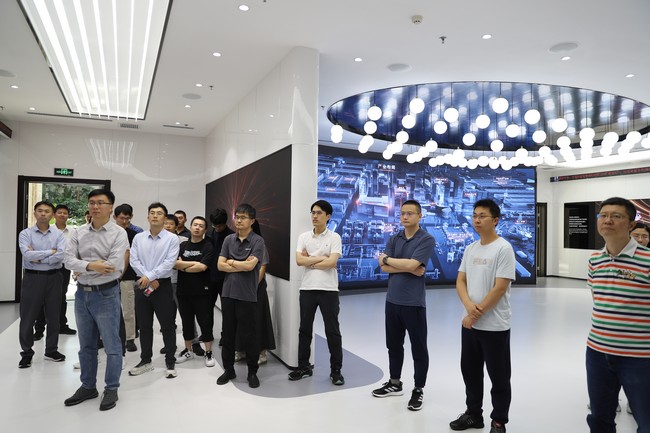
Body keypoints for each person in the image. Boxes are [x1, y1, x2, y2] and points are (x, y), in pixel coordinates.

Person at [449, 199, 516, 433]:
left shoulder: (503, 249)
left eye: (482, 216)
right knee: (470, 372)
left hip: (495, 326)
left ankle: (499, 421)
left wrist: (474, 315)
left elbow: (500, 288)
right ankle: (473, 414)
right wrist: (469, 307)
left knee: (499, 377)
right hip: (470, 324)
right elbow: (460, 280)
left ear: (495, 220)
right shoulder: (471, 248)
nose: (476, 220)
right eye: (475, 215)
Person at [585, 197, 650, 433]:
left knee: (646, 421)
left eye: (616, 216)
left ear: (631, 224)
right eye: (603, 215)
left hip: (639, 356)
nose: (607, 220)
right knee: (600, 419)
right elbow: (599, 300)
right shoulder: (595, 260)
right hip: (597, 352)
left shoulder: (647, 260)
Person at [63, 189, 129, 411]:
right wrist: (92, 265)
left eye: (101, 202)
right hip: (82, 294)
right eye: (92, 202)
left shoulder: (119, 233)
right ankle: (88, 386)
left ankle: (111, 388)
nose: (95, 206)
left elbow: (114, 265)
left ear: (111, 207)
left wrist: (82, 266)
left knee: (112, 345)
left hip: (106, 294)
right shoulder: (78, 232)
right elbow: (67, 260)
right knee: (86, 346)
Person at [373, 199, 435, 412]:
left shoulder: (426, 239)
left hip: (413, 303)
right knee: (393, 345)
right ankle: (394, 382)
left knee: (419, 348)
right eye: (402, 213)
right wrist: (407, 267)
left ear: (419, 216)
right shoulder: (394, 238)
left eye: (410, 213)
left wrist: (388, 260)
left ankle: (418, 389)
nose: (405, 217)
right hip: (392, 301)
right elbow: (385, 268)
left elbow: (410, 264)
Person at [288, 200, 343, 385]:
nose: (314, 216)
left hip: (329, 290)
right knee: (304, 329)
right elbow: (299, 261)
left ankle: (336, 370)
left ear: (328, 216)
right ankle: (303, 367)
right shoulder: (304, 237)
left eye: (319, 213)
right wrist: (323, 259)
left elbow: (332, 262)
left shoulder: (334, 237)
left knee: (332, 331)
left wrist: (310, 259)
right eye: (313, 212)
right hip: (307, 289)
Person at [216, 203, 266, 388]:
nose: (238, 220)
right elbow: (220, 265)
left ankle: (252, 372)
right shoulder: (228, 240)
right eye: (237, 217)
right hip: (228, 293)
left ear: (252, 221)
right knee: (228, 334)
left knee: (249, 335)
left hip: (247, 294)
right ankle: (229, 369)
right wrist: (240, 263)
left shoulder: (258, 241)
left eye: (243, 217)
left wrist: (231, 262)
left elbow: (250, 266)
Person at [128, 203, 179, 379]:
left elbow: (169, 262)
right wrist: (148, 278)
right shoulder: (138, 238)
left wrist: (150, 276)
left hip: (162, 286)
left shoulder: (172, 239)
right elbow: (134, 260)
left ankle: (170, 361)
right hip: (142, 285)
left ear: (165, 218)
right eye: (152, 213)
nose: (155, 216)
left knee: (167, 326)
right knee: (144, 326)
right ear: (148, 217)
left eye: (159, 213)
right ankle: (145, 360)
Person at [18, 200, 66, 368]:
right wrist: (50, 252)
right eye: (40, 210)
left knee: (54, 316)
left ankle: (51, 350)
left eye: (47, 211)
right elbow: (27, 255)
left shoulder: (58, 234)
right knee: (28, 316)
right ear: (35, 213)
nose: (43, 214)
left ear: (52, 215)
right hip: (33, 278)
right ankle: (26, 353)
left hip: (54, 278)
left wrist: (38, 257)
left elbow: (61, 255)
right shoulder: (25, 234)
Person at [174, 216, 216, 367]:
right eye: (195, 225)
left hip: (202, 292)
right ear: (190, 227)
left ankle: (208, 352)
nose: (197, 228)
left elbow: (202, 267)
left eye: (201, 226)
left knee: (205, 322)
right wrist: (194, 263)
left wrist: (184, 266)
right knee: (186, 322)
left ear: (205, 230)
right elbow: (174, 264)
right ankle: (188, 350)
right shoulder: (182, 245)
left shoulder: (208, 246)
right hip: (183, 291)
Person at [235, 220, 275, 366]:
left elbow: (262, 268)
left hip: (256, 288)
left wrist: (251, 286)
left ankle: (261, 353)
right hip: (239, 287)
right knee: (240, 319)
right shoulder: (235, 243)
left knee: (258, 319)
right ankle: (241, 349)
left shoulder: (260, 244)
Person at [34, 204, 76, 340]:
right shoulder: (48, 230)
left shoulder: (73, 232)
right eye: (59, 212)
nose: (62, 215)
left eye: (65, 213)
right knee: (43, 297)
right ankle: (39, 329)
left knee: (61, 297)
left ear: (68, 215)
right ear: (54, 215)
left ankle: (62, 326)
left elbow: (75, 251)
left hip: (64, 268)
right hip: (49, 266)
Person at [113, 204, 139, 352]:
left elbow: (133, 256)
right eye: (121, 218)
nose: (124, 221)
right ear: (114, 217)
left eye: (127, 218)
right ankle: (107, 337)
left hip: (127, 277)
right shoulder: (108, 233)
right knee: (109, 310)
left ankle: (130, 338)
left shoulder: (133, 235)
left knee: (128, 309)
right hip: (108, 276)